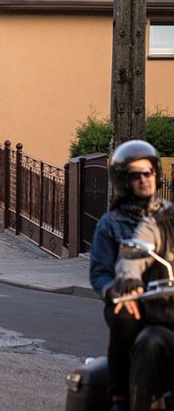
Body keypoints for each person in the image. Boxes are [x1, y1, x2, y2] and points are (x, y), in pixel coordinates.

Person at [89, 140, 167, 411]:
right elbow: (100, 272)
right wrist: (116, 292)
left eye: (149, 173)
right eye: (136, 175)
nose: (144, 180)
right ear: (124, 181)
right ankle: (120, 396)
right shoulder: (110, 224)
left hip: (166, 300)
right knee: (127, 318)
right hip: (130, 300)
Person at [115, 205, 174, 411]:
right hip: (167, 323)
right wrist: (130, 282)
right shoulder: (156, 224)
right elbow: (133, 255)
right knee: (149, 343)